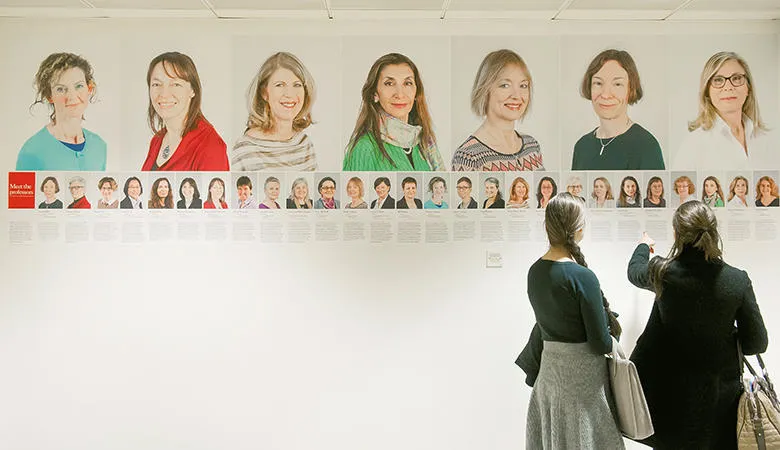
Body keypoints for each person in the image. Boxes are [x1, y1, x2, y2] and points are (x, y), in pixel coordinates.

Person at [627, 203, 768, 449]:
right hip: (719, 405)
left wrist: (643, 245)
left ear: (676, 234)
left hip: (669, 404)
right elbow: (757, 342)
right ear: (714, 232)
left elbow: (633, 272)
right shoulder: (736, 280)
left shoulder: (663, 273)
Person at [524, 192, 625, 449]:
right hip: (582, 383)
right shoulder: (582, 277)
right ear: (577, 229)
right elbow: (600, 343)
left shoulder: (535, 272)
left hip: (549, 375)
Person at [343, 53, 444, 171]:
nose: (400, 94)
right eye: (389, 83)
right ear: (375, 93)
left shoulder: (424, 143)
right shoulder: (364, 148)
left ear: (416, 92)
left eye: (407, 83)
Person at [674, 52, 772, 170]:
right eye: (718, 80)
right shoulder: (693, 145)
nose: (728, 87)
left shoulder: (767, 139)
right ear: (707, 91)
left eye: (736, 78)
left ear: (748, 88)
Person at [451, 49, 544, 171]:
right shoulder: (468, 157)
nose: (517, 95)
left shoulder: (532, 146)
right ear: (485, 90)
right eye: (505, 85)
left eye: (523, 86)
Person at [572, 49, 664, 170]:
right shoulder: (582, 146)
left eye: (617, 84)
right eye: (598, 83)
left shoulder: (646, 146)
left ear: (630, 89)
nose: (605, 94)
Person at [16, 53, 107, 171]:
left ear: (89, 88)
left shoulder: (99, 146)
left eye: (79, 86)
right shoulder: (32, 151)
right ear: (50, 96)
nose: (72, 96)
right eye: (60, 89)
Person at [141, 52, 228, 171]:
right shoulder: (157, 141)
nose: (164, 94)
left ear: (193, 90)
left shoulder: (210, 146)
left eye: (175, 84)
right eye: (156, 84)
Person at [232, 52, 317, 171]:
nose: (289, 94)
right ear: (264, 93)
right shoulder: (245, 149)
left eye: (297, 85)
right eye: (280, 85)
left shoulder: (304, 143)